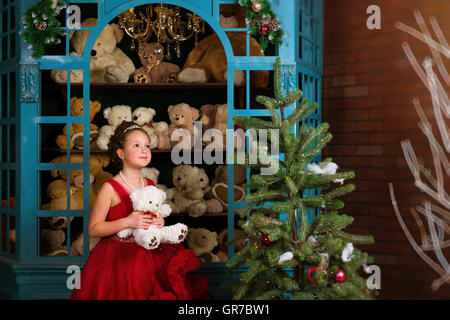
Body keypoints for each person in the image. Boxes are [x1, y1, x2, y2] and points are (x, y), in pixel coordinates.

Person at [70, 121, 209, 300]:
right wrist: (127, 222)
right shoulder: (110, 187)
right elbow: (94, 228)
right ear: (121, 153)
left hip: (150, 254)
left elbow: (154, 215)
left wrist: (159, 221)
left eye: (147, 146)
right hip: (118, 259)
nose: (144, 150)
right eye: (136, 145)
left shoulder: (149, 184)